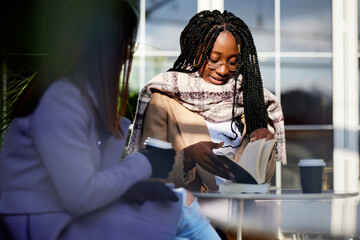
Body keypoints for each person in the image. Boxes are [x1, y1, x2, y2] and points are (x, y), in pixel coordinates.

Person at [0, 1, 220, 239]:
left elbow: (87, 181)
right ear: (106, 46)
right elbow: (82, 195)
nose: (129, 55)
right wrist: (145, 163)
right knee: (183, 209)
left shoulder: (74, 98)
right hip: (48, 224)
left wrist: (134, 188)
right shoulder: (62, 100)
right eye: (127, 44)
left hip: (54, 217)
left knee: (178, 209)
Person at [128, 9, 287, 192]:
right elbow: (149, 174)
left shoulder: (253, 102)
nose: (223, 70)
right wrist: (187, 158)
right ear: (196, 53)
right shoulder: (164, 100)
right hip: (189, 216)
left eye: (233, 61)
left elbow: (262, 181)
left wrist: (263, 147)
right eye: (214, 59)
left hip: (241, 218)